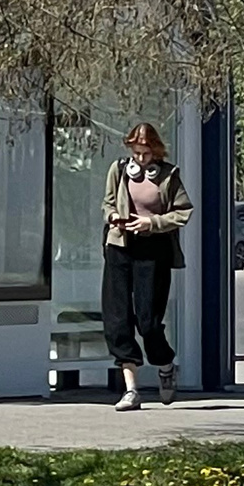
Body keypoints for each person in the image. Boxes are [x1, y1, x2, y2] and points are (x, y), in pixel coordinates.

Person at [101, 121, 194, 410]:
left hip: (154, 251)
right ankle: (131, 390)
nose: (141, 159)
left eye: (146, 153)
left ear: (156, 151)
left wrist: (151, 223)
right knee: (117, 320)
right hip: (120, 247)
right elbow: (107, 203)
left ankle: (165, 365)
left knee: (148, 321)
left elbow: (183, 212)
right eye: (137, 153)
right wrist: (114, 217)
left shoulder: (169, 176)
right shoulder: (118, 170)